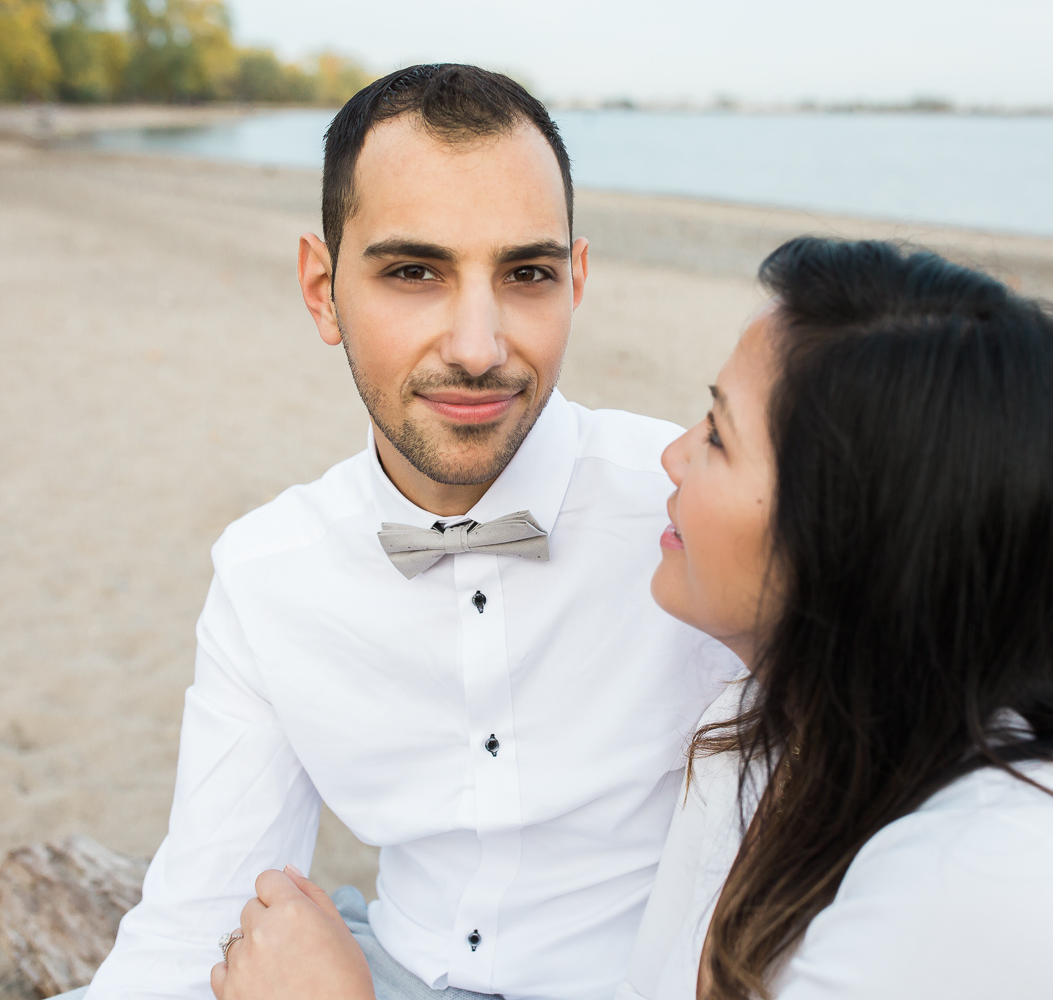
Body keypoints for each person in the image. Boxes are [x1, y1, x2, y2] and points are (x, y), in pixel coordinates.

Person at [211, 238, 1053, 999]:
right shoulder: (788, 729)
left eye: (720, 438)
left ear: (850, 535)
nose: (671, 459)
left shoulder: (988, 882)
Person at [83, 64, 737, 1000]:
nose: (478, 347)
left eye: (527, 274)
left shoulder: (691, 512)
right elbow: (201, 913)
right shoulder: (269, 573)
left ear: (577, 281)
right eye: (414, 272)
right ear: (322, 289)